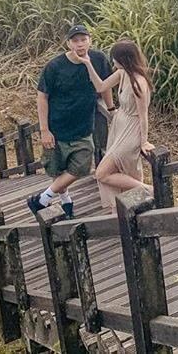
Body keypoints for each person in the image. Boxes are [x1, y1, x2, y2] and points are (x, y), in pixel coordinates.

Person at [27, 24, 112, 218]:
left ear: (90, 40)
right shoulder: (55, 66)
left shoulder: (98, 59)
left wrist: (111, 108)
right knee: (57, 168)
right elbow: (42, 96)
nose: (80, 44)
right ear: (68, 43)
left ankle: (42, 199)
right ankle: (67, 203)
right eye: (75, 40)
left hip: (83, 127)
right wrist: (44, 129)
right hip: (57, 127)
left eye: (83, 39)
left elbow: (105, 85)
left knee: (81, 166)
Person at [82, 38, 155, 210]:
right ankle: (128, 207)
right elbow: (100, 87)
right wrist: (87, 63)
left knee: (102, 173)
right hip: (120, 125)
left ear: (124, 59)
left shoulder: (138, 82)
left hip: (131, 130)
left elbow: (143, 115)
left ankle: (150, 190)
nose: (113, 61)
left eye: (115, 58)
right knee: (123, 171)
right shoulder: (122, 73)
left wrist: (144, 141)